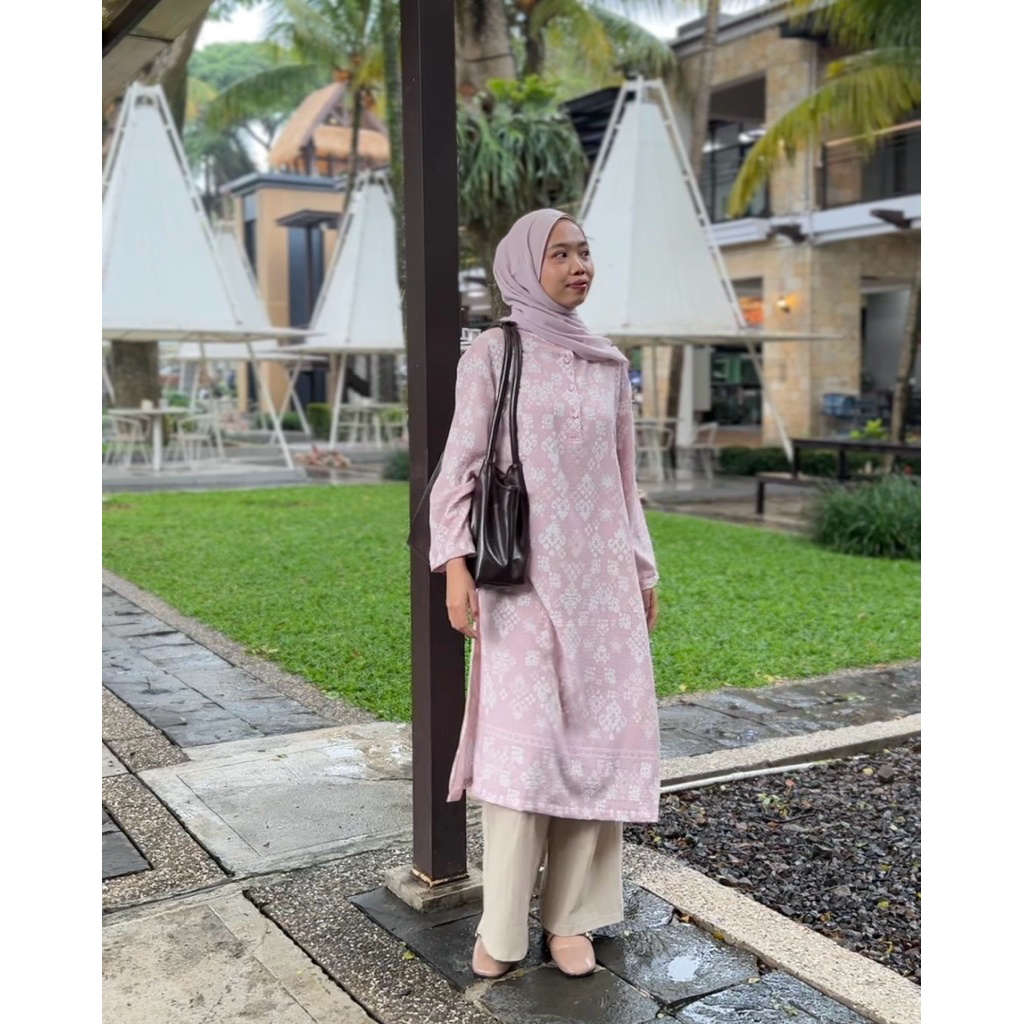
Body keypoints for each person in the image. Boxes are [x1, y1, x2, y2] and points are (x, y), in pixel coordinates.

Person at [428, 209, 660, 980]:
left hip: (603, 589)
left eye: (584, 252)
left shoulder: (607, 363)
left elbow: (624, 479)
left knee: (594, 749)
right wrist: (455, 565)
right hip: (522, 584)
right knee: (523, 756)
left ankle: (572, 919)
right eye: (560, 253)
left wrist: (643, 570)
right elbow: (461, 466)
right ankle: (501, 930)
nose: (578, 265)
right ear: (526, 266)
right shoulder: (494, 353)